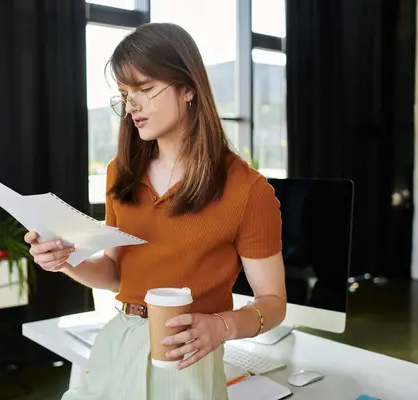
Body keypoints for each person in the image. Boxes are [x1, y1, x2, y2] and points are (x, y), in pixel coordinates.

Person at [24, 22, 286, 400]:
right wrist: (66, 260)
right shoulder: (121, 173)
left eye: (145, 90)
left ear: (189, 88)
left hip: (185, 358)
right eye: (125, 94)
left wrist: (222, 327)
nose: (131, 106)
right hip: (118, 344)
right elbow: (115, 274)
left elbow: (273, 303)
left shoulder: (248, 190)